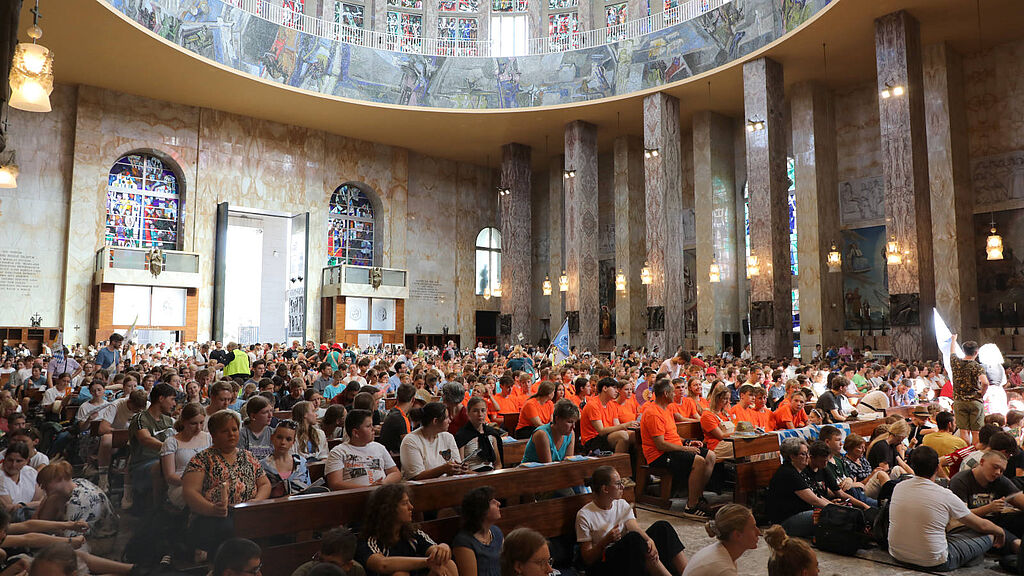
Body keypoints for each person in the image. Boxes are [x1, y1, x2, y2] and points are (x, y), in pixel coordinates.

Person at [888, 445, 1005, 570]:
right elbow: (982, 526)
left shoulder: (899, 487)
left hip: (897, 554)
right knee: (989, 535)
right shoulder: (944, 494)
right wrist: (1000, 532)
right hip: (934, 561)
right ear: (938, 467)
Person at [182, 410, 271, 556]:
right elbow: (190, 492)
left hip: (248, 512)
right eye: (225, 431)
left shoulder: (248, 456)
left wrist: (256, 502)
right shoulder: (201, 459)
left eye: (234, 429)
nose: (232, 434)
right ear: (214, 434)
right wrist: (212, 509)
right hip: (213, 518)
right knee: (231, 528)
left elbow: (264, 484)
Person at [576, 465, 687, 576]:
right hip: (604, 564)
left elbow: (635, 527)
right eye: (618, 484)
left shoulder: (621, 504)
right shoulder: (585, 515)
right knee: (634, 539)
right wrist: (605, 541)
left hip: (627, 557)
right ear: (605, 489)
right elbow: (588, 559)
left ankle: (688, 573)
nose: (622, 487)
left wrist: (649, 540)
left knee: (662, 527)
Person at [640, 379, 714, 519]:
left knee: (710, 455)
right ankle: (691, 507)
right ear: (666, 393)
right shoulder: (653, 413)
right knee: (698, 461)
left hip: (674, 449)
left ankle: (697, 496)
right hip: (659, 455)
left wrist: (687, 442)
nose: (676, 394)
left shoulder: (667, 409)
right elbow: (661, 444)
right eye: (673, 391)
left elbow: (672, 436)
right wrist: (686, 450)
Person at [356, 483, 456, 576]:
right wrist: (427, 562)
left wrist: (443, 548)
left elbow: (434, 551)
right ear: (388, 509)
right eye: (404, 503)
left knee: (448, 564)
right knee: (400, 574)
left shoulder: (413, 533)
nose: (411, 507)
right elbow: (383, 564)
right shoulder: (370, 540)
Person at [949, 450, 1024, 550]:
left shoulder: (1000, 480)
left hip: (995, 520)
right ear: (982, 462)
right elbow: (961, 516)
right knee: (1013, 541)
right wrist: (989, 508)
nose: (998, 473)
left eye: (1002, 471)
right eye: (995, 467)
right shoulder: (960, 481)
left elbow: (1019, 499)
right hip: (971, 526)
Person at [765, 437, 834, 538]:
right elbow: (814, 500)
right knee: (825, 516)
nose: (807, 457)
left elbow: (817, 495)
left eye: (807, 453)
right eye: (803, 454)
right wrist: (836, 510)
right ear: (792, 456)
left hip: (800, 514)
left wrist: (836, 506)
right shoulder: (788, 473)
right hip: (785, 523)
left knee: (831, 513)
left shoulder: (800, 471)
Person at [127, 383, 177, 510]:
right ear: (161, 398)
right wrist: (169, 449)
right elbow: (145, 439)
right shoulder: (140, 418)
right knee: (160, 467)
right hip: (143, 464)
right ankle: (157, 511)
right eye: (172, 399)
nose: (174, 404)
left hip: (166, 459)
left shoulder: (168, 420)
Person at [325, 409, 401, 490]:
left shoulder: (379, 447)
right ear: (355, 433)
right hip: (354, 497)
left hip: (382, 493)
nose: (373, 429)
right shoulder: (338, 452)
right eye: (368, 426)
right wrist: (368, 488)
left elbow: (395, 473)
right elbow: (335, 484)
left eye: (372, 425)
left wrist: (383, 484)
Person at [681, 505, 760, 576]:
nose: (758, 532)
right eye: (753, 527)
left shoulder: (722, 553)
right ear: (737, 535)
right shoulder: (723, 569)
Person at [161, 402, 212, 509]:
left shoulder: (208, 438)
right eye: (193, 424)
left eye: (201, 423)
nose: (198, 428)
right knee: (201, 495)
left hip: (208, 483)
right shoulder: (171, 442)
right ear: (184, 422)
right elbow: (170, 476)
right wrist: (195, 482)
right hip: (181, 485)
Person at [400, 402, 466, 480]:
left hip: (448, 485)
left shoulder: (448, 437)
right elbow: (416, 476)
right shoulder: (411, 441)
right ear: (435, 421)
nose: (450, 421)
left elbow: (456, 464)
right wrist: (443, 469)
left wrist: (461, 468)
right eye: (447, 418)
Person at [452, 486, 504, 576]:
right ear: (481, 510)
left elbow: (506, 566)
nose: (498, 503)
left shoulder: (496, 532)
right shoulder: (464, 542)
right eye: (492, 502)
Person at [950, 335, 990, 445]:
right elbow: (985, 382)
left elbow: (952, 352)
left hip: (959, 401)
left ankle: (965, 453)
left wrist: (953, 340)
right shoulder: (977, 366)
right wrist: (982, 393)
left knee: (964, 431)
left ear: (963, 351)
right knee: (976, 432)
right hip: (974, 401)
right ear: (976, 352)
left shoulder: (955, 362)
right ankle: (974, 453)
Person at [580, 377, 636, 454]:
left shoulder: (611, 404)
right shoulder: (593, 405)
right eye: (614, 388)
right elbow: (601, 431)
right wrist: (626, 425)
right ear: (605, 388)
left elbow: (617, 426)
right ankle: (618, 464)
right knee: (623, 436)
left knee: (634, 435)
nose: (617, 391)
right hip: (592, 440)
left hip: (606, 436)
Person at [262, 419, 315, 496]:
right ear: (272, 438)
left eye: (288, 439)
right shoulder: (263, 465)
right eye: (279, 437)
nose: (283, 442)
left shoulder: (301, 463)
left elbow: (307, 490)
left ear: (293, 442)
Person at [454, 397, 504, 472]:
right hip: (471, 476)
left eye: (483, 410)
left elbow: (498, 464)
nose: (480, 414)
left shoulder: (491, 434)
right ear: (468, 413)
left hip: (491, 474)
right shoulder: (462, 435)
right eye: (475, 411)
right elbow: (460, 467)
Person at [522, 399, 578, 464]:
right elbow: (548, 467)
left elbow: (568, 463)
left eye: (574, 422)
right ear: (557, 419)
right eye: (569, 422)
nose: (573, 427)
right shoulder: (542, 434)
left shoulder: (571, 434)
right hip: (530, 472)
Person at [292, 527, 366, 576]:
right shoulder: (303, 573)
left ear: (348, 565)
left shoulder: (357, 572)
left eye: (332, 564)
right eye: (321, 560)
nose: (324, 567)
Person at [0, 440, 43, 520]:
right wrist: (30, 505)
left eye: (19, 461)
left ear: (26, 461)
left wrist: (21, 506)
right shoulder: (1, 477)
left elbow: (39, 499)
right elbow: (9, 509)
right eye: (10, 460)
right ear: (5, 458)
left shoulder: (31, 473)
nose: (13, 465)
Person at [700, 384, 736, 458]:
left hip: (731, 441)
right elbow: (721, 436)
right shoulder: (707, 415)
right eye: (725, 399)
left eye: (728, 399)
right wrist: (739, 433)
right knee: (743, 447)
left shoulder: (726, 412)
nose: (727, 402)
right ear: (717, 398)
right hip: (717, 446)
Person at [380, 384, 415, 455]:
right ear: (413, 399)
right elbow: (409, 445)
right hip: (395, 458)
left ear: (397, 397)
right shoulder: (401, 418)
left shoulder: (392, 412)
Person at [238, 395, 274, 461]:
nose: (270, 415)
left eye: (271, 411)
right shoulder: (242, 434)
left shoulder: (273, 433)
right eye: (265, 412)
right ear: (253, 416)